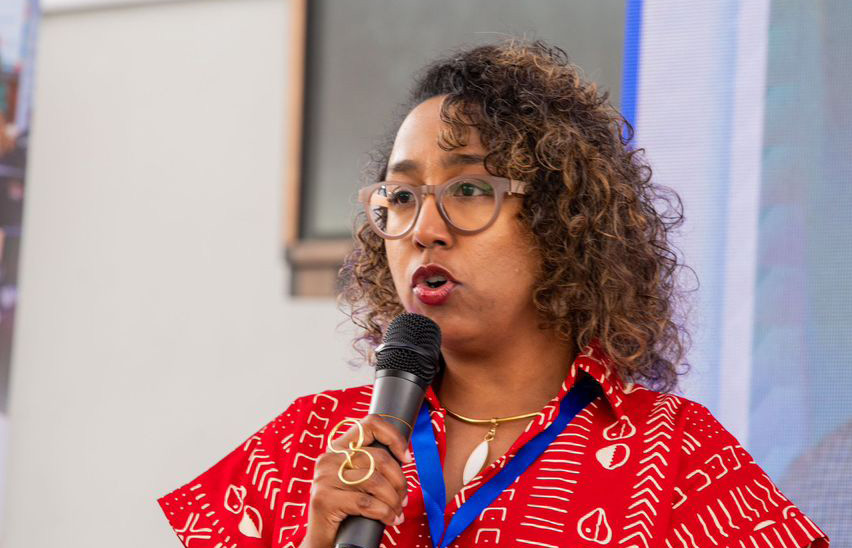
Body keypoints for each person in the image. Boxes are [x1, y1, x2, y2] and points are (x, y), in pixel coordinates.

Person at [158, 40, 829, 548]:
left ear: (564, 220)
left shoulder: (676, 457)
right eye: (401, 196)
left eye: (470, 189)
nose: (423, 228)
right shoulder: (305, 442)